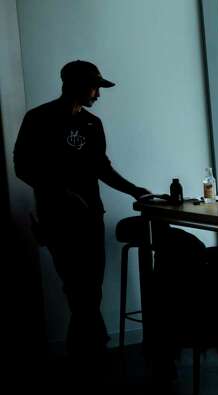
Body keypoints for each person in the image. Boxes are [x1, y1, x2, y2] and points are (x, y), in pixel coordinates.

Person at [14, 60, 151, 360]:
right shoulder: (39, 118)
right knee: (79, 288)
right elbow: (22, 166)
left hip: (91, 217)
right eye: (94, 87)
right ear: (75, 84)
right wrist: (60, 193)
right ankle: (92, 351)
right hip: (56, 218)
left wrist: (134, 190)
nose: (98, 95)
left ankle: (86, 356)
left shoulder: (92, 124)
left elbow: (102, 168)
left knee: (90, 289)